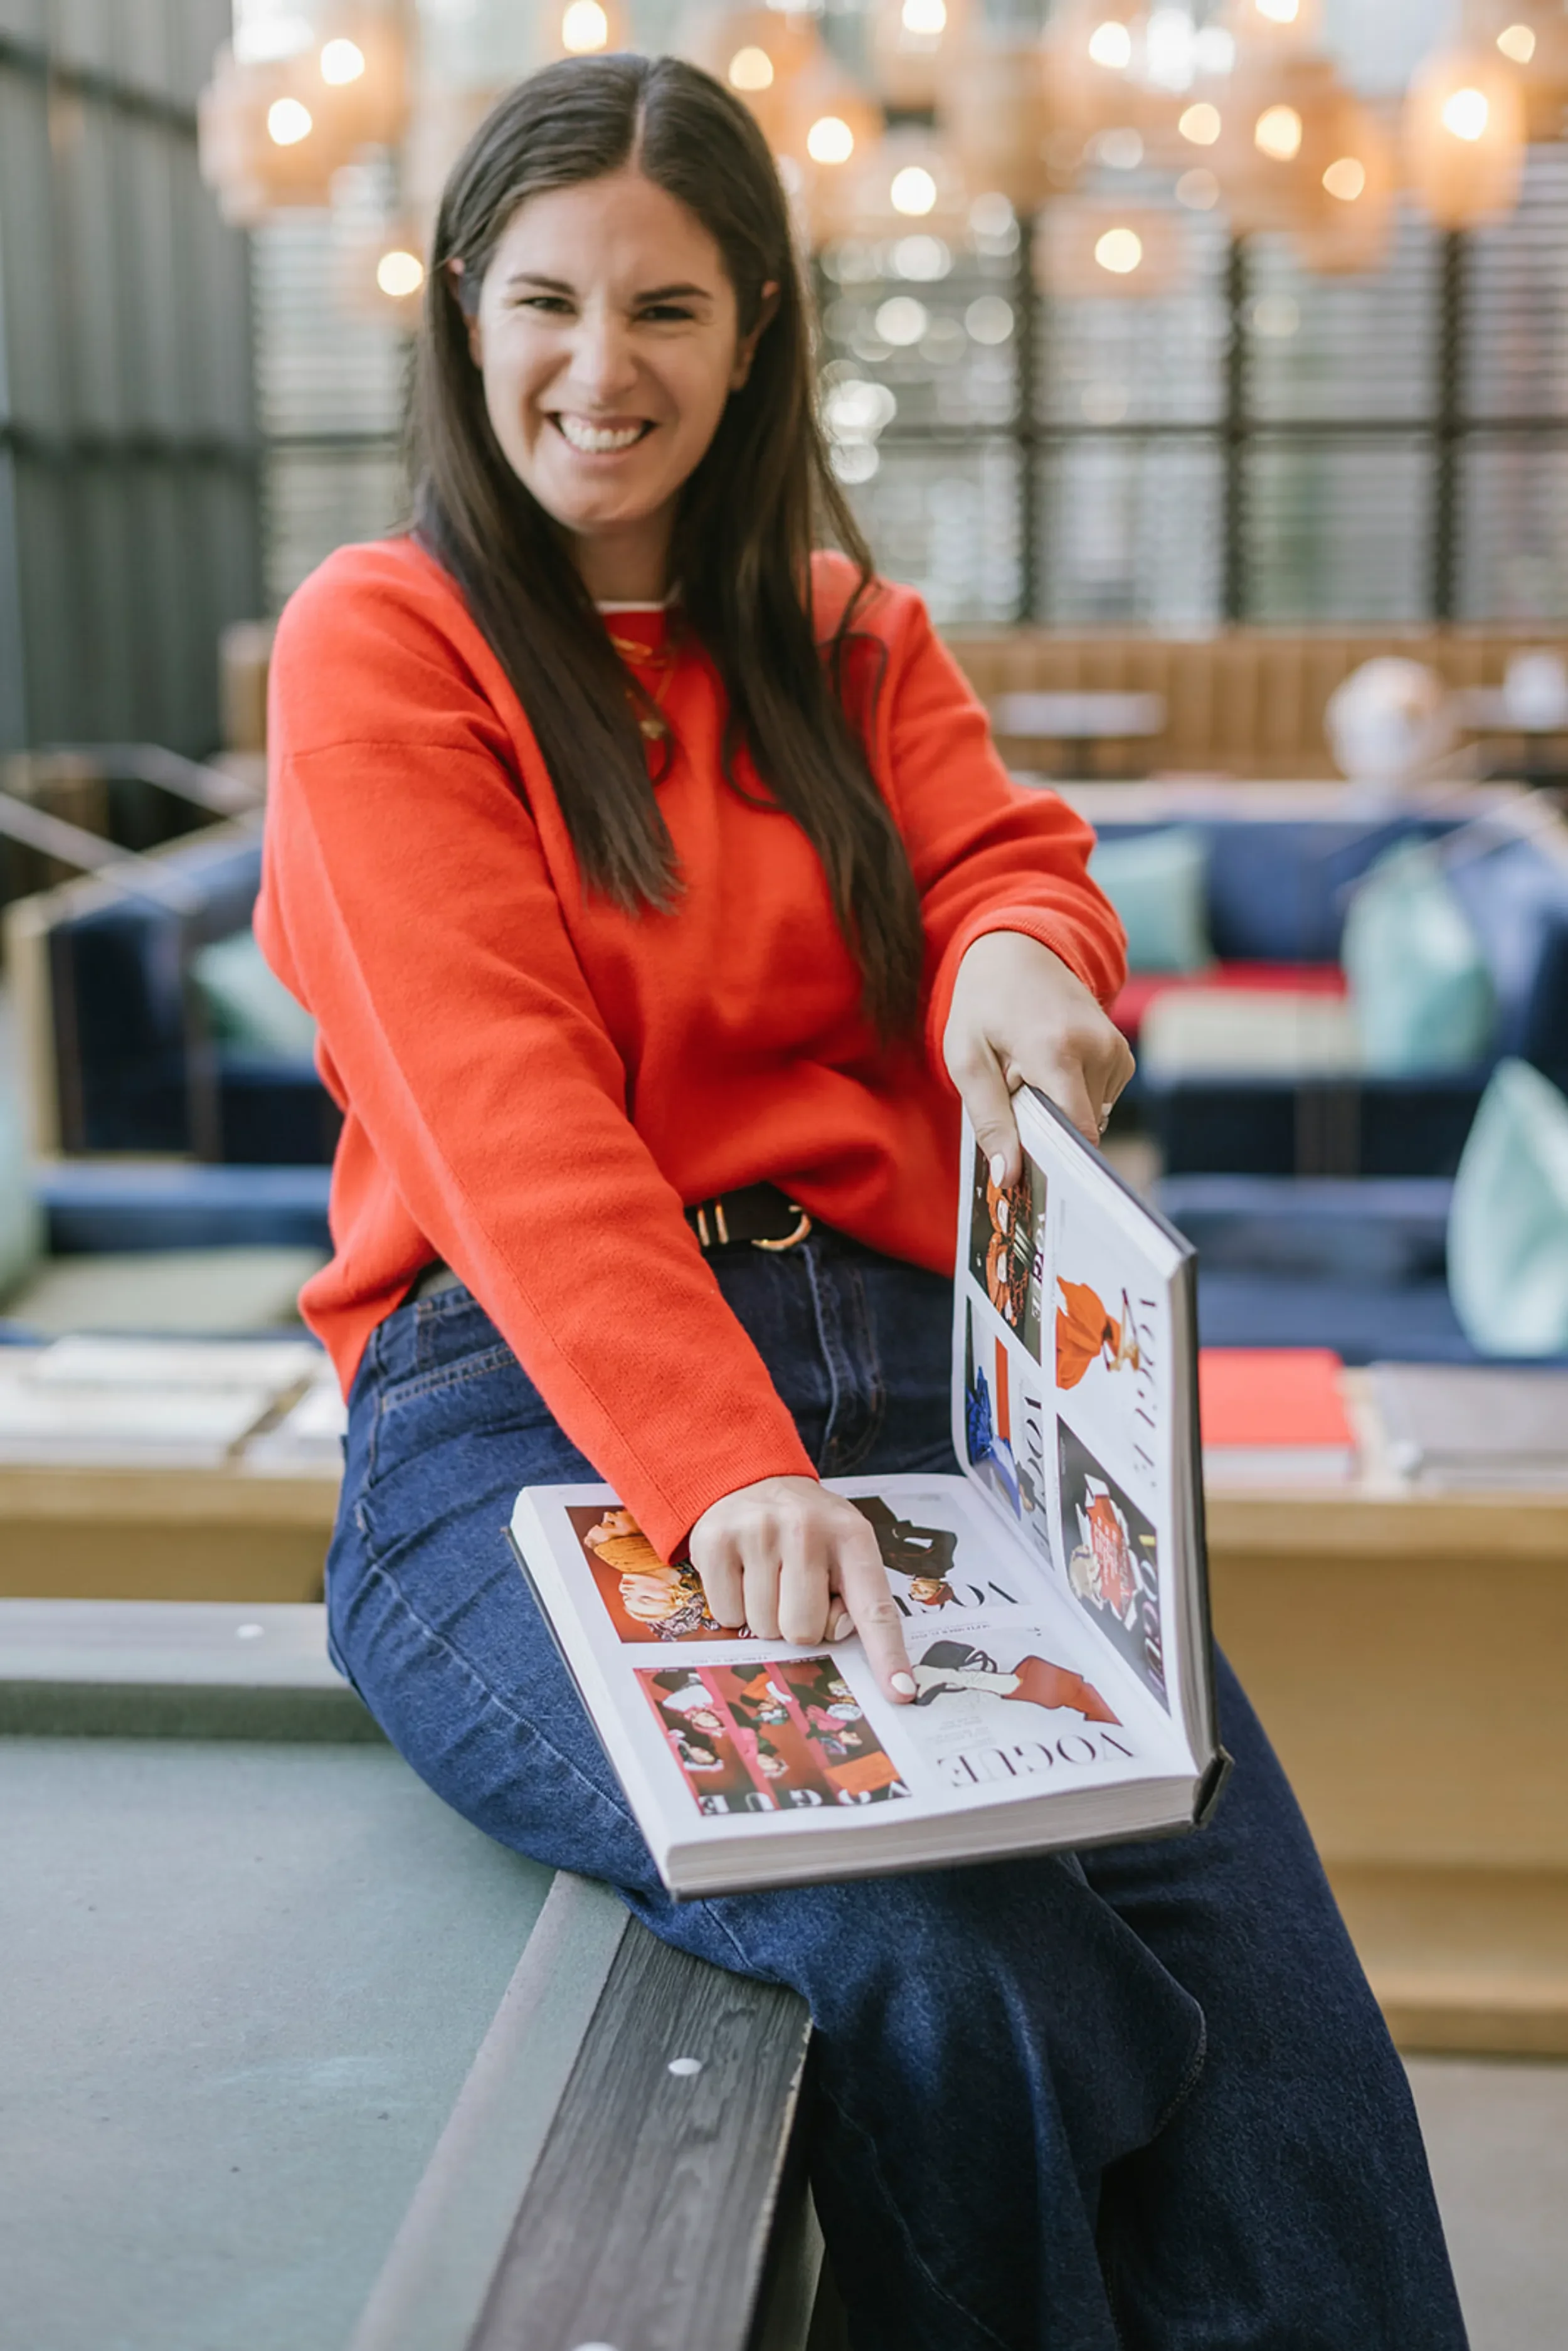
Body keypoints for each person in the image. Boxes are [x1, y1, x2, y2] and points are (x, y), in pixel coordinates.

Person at [257, 51, 1468, 2351]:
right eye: (543, 302)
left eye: (668, 312)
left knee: (1281, 2036)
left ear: (758, 335)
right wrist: (722, 1468)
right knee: (950, 1971)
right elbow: (502, 1109)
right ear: (455, 313)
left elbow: (1013, 859)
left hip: (944, 1413)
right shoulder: (381, 638)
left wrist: (1026, 971)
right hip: (535, 1426)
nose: (597, 371)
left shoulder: (847, 635)